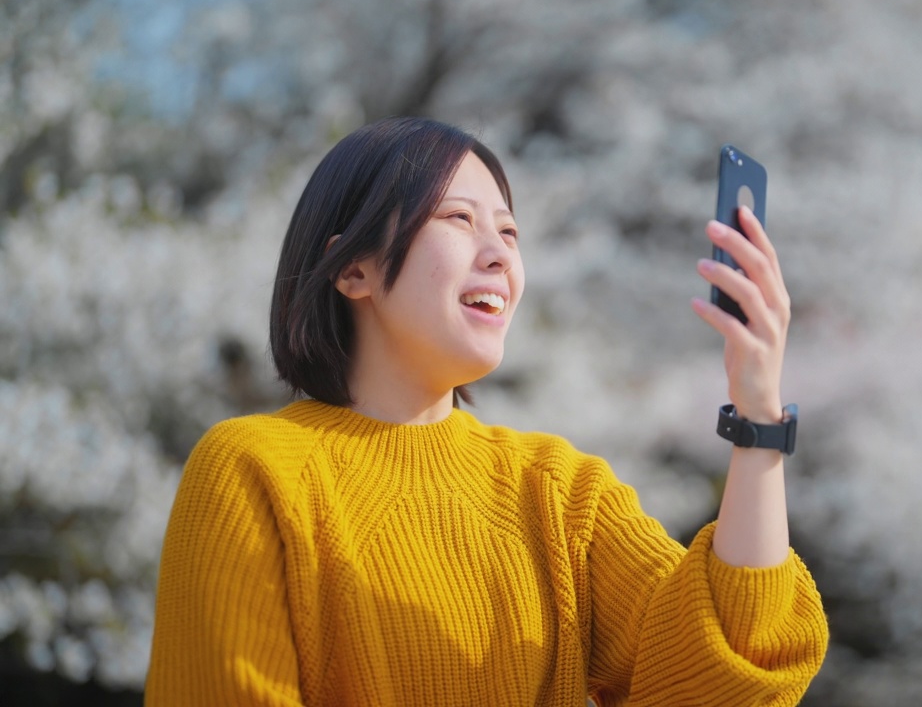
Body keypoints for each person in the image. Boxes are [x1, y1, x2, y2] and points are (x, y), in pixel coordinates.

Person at [145, 117, 828, 705]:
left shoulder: (560, 492)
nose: (500, 253)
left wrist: (759, 423)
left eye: (510, 231)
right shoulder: (253, 470)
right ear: (352, 269)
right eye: (459, 219)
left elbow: (729, 675)